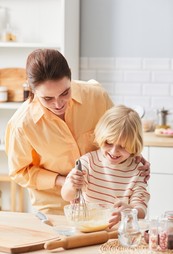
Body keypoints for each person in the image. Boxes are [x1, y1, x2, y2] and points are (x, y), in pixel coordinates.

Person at [5, 48, 150, 215]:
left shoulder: (96, 96)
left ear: (70, 77)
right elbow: (20, 172)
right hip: (54, 207)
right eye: (48, 98)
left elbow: (118, 134)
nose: (58, 104)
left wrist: (134, 157)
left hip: (101, 203)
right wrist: (62, 181)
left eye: (65, 92)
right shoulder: (22, 125)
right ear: (31, 89)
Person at [61, 105, 150, 227]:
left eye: (122, 147)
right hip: (88, 228)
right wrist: (72, 185)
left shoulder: (138, 170)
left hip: (117, 232)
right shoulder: (88, 162)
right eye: (109, 143)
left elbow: (141, 210)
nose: (114, 152)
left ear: (134, 145)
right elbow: (66, 196)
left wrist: (129, 211)